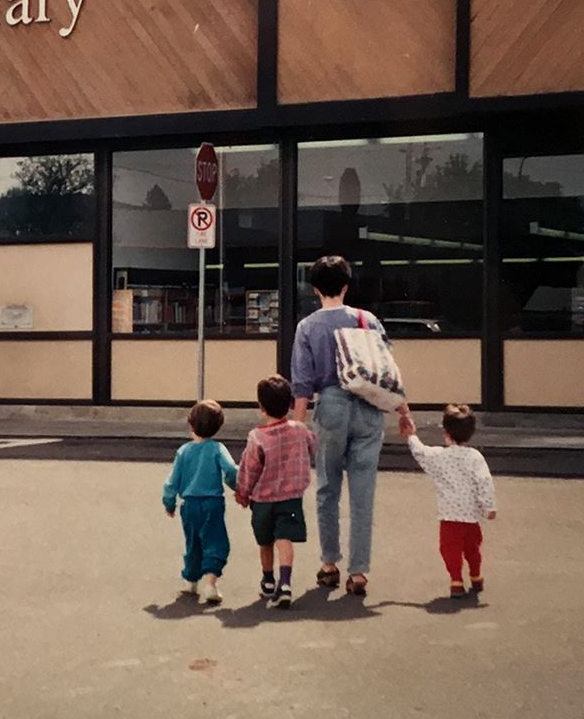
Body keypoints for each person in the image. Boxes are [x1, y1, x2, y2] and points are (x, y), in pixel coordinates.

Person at [290, 255, 413, 598]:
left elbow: (302, 384)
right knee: (363, 491)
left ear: (315, 290)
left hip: (330, 406)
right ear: (346, 287)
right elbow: (385, 369)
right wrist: (404, 409)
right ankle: (358, 572)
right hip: (370, 407)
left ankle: (330, 564)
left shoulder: (308, 327)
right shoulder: (367, 320)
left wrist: (297, 427)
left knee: (328, 487)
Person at [235, 375, 316, 609]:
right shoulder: (299, 430)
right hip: (291, 496)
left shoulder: (257, 437)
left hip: (263, 499)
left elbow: (250, 467)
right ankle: (286, 582)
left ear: (261, 407)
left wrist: (243, 491)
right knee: (284, 538)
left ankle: (268, 578)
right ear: (290, 404)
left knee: (265, 540)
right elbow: (313, 444)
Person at [402, 404, 498, 598]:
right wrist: (489, 506)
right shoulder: (475, 457)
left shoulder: (440, 456)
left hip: (449, 516)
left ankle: (456, 580)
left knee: (450, 549)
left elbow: (421, 452)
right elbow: (484, 481)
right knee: (473, 548)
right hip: (471, 516)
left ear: (446, 432)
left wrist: (411, 435)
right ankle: (476, 575)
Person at [162, 399, 240, 604]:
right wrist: (237, 486)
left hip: (189, 505)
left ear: (191, 425)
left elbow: (172, 482)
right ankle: (211, 583)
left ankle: (191, 579)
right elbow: (231, 470)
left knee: (193, 541)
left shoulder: (184, 451)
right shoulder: (217, 448)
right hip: (212, 502)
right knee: (215, 541)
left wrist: (169, 503)